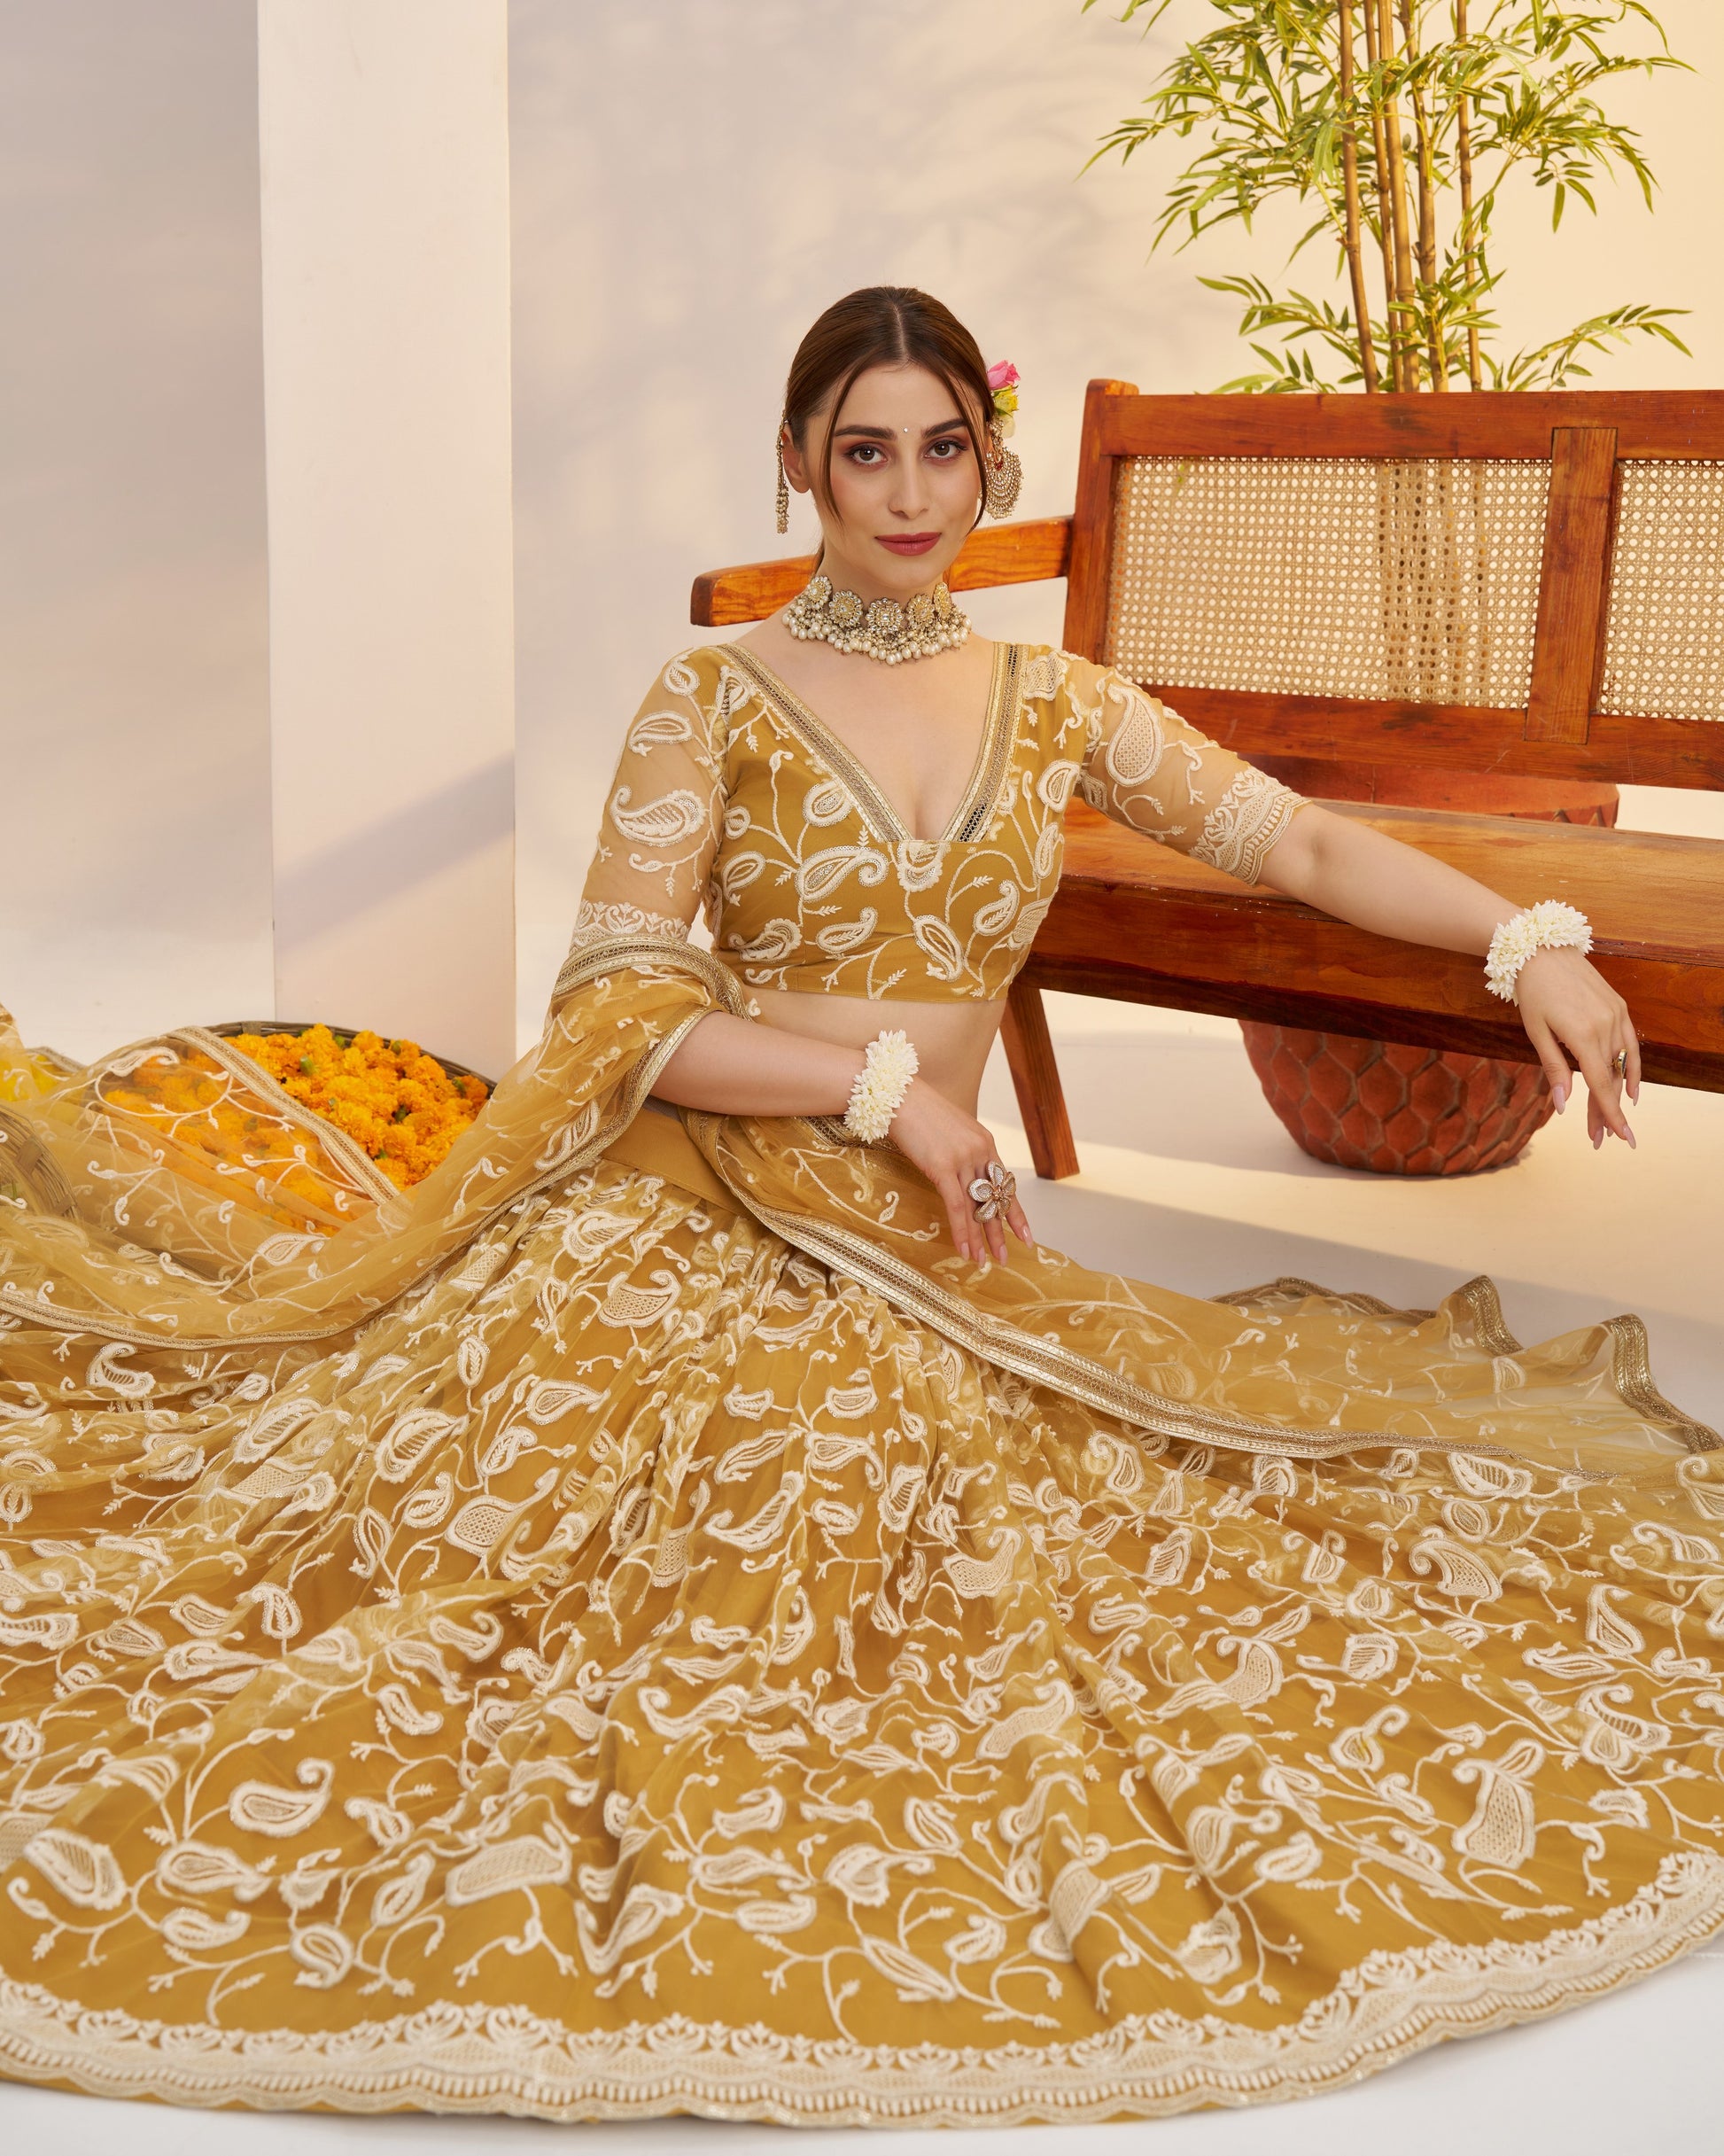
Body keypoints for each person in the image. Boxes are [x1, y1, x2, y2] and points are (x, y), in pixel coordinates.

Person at [0, 285, 1718, 2129]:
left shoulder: (1046, 697)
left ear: (992, 455)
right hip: (726, 1190)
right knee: (715, 1540)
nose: (907, 492)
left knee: (1181, 1516)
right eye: (862, 450)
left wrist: (1525, 939)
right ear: (799, 467)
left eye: (940, 447)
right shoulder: (716, 696)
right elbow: (629, 1014)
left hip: (937, 1226)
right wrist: (881, 1093)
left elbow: (1287, 837)